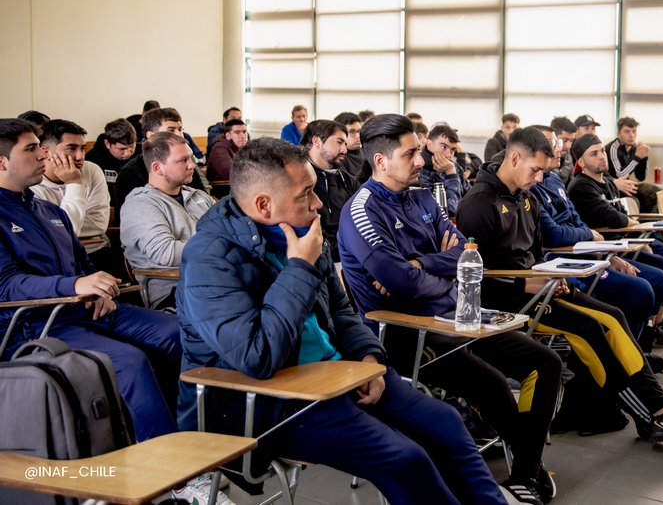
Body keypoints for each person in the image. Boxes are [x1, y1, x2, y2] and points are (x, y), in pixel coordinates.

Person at [176, 137, 509, 505]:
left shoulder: (303, 231)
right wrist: (299, 267)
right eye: (306, 194)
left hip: (338, 374)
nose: (318, 204)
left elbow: (341, 310)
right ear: (263, 204)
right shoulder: (209, 258)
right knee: (405, 457)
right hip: (269, 402)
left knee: (446, 424)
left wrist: (369, 359)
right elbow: (258, 357)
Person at [339, 114, 561, 502]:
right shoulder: (361, 211)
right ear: (381, 162)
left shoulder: (422, 195)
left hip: (454, 314)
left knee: (545, 363)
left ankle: (525, 472)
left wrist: (422, 264)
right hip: (406, 330)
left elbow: (466, 249)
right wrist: (442, 270)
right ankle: (527, 472)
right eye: (410, 154)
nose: (422, 161)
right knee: (492, 384)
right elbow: (400, 283)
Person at [458, 127, 663, 443]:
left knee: (614, 318)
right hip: (510, 300)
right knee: (592, 328)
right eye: (535, 169)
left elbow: (537, 255)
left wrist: (557, 276)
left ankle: (659, 409)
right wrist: (527, 285)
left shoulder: (526, 198)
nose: (540, 179)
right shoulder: (478, 204)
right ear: (514, 158)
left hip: (542, 289)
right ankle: (651, 415)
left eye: (544, 171)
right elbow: (473, 280)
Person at [0, 118, 181, 443]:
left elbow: (81, 260)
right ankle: (175, 475)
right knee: (129, 362)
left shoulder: (46, 208)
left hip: (88, 310)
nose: (44, 154)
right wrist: (74, 286)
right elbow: (6, 286)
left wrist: (95, 287)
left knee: (178, 333)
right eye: (31, 149)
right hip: (39, 326)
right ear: (1, 162)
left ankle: (189, 433)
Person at [528, 125, 663, 351]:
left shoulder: (556, 181)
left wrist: (604, 254)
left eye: (557, 144)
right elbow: (554, 235)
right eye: (552, 144)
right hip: (563, 262)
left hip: (587, 252)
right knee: (641, 290)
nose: (558, 149)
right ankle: (623, 355)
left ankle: (636, 350)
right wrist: (591, 238)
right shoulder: (534, 187)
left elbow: (575, 220)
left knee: (659, 277)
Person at [567, 134, 663, 345]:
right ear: (581, 162)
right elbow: (615, 218)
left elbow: (623, 218)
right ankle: (643, 337)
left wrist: (634, 233)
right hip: (606, 248)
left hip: (623, 241)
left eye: (602, 151)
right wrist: (631, 226)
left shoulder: (609, 183)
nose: (602, 156)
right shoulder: (580, 187)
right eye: (593, 154)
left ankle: (654, 324)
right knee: (660, 271)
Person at [120, 132, 214, 310]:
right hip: (177, 289)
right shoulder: (140, 204)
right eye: (182, 160)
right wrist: (218, 243)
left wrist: (189, 244)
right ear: (157, 168)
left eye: (191, 158)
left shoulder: (198, 196)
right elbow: (166, 253)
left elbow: (234, 233)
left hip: (217, 280)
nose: (191, 165)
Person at [31, 119, 111, 254]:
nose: (80, 156)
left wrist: (57, 224)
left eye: (83, 148)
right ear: (46, 152)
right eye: (71, 148)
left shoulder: (92, 170)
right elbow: (60, 232)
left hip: (96, 250)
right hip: (55, 256)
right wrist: (74, 183)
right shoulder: (31, 183)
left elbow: (99, 224)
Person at [116, 108, 206, 215]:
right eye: (171, 131)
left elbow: (201, 199)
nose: (179, 135)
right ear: (151, 136)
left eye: (180, 129)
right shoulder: (130, 173)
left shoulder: (187, 165)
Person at [300, 119, 358, 264]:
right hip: (321, 262)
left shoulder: (347, 180)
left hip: (352, 258)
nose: (345, 150)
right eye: (339, 142)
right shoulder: (298, 182)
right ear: (317, 142)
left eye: (345, 143)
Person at [605, 117, 659, 213]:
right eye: (627, 131)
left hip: (627, 187)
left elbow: (641, 177)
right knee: (634, 201)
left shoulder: (634, 148)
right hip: (614, 189)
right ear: (618, 134)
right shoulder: (613, 148)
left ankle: (649, 225)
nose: (631, 135)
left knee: (656, 193)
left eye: (634, 131)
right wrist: (637, 157)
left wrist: (644, 158)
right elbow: (620, 175)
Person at [418, 123, 471, 218]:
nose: (448, 155)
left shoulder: (454, 165)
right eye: (443, 147)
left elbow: (471, 198)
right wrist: (451, 175)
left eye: (452, 150)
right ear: (429, 144)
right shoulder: (419, 170)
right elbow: (451, 210)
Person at [85, 118, 138, 204]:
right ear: (107, 144)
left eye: (131, 146)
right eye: (122, 149)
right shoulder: (93, 159)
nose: (128, 153)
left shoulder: (141, 153)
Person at [334, 112, 365, 180]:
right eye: (352, 132)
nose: (358, 136)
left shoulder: (366, 152)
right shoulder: (339, 158)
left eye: (359, 131)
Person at [550, 117, 577, 184]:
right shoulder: (542, 160)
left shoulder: (570, 156)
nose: (569, 146)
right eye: (564, 140)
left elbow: (572, 182)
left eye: (571, 141)